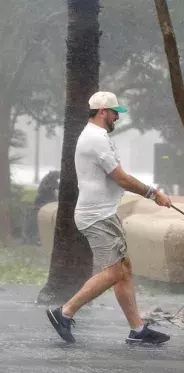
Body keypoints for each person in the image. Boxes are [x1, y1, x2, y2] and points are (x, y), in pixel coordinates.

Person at [46, 91, 172, 345]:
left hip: (103, 213)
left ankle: (137, 331)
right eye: (115, 112)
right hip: (96, 216)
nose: (118, 116)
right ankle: (64, 312)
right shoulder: (95, 139)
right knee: (113, 272)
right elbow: (121, 178)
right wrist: (153, 193)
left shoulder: (97, 136)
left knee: (124, 271)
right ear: (103, 111)